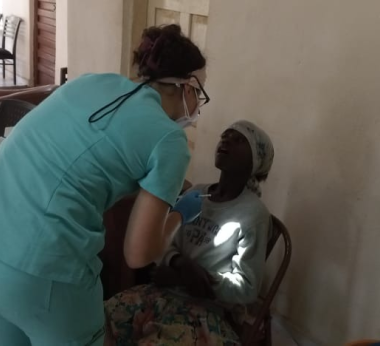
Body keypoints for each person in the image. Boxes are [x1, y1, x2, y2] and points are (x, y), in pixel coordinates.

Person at [0, 24, 209, 346]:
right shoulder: (169, 140)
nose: (197, 104)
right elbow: (139, 253)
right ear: (187, 86)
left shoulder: (91, 83)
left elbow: (78, 158)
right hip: (34, 273)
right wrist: (180, 213)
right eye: (199, 93)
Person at [104, 120, 275, 346]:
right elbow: (163, 242)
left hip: (205, 312)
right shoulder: (195, 193)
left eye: (239, 140)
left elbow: (246, 287)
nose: (226, 140)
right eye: (225, 135)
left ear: (255, 161)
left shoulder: (253, 215)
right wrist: (179, 263)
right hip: (160, 295)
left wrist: (187, 278)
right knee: (98, 322)